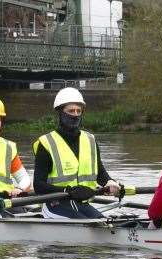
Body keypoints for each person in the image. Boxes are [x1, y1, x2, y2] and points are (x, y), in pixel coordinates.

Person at [33, 87, 121, 220]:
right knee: (96, 226)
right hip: (55, 205)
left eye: (78, 111)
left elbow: (100, 173)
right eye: (70, 111)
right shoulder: (46, 143)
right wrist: (68, 191)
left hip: (82, 203)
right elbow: (38, 185)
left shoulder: (90, 140)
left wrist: (110, 182)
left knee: (104, 223)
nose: (75, 115)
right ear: (60, 113)